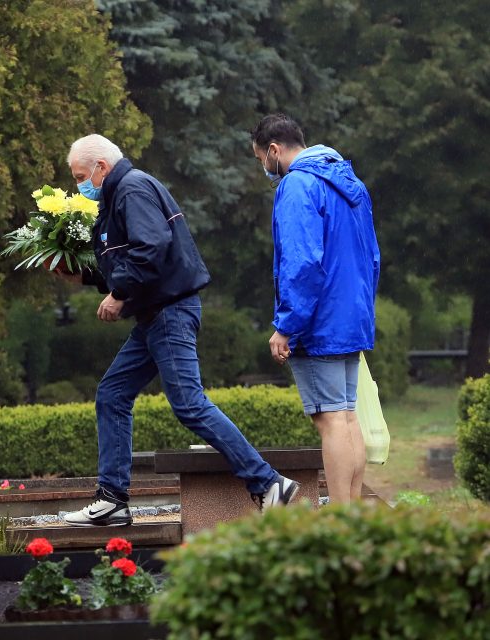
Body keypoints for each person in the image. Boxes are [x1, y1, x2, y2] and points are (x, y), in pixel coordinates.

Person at [61, 134, 300, 527]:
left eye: (80, 176)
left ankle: (268, 482)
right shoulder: (121, 193)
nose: (79, 186)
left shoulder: (132, 188)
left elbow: (150, 248)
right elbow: (128, 258)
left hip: (169, 312)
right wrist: (85, 277)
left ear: (101, 168)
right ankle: (112, 500)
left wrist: (118, 294)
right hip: (155, 314)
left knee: (189, 403)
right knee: (113, 394)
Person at [251, 114, 380, 503]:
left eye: (260, 159)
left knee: (329, 421)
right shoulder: (351, 183)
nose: (263, 168)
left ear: (274, 150)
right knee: (347, 416)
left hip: (318, 323)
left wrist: (286, 325)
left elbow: (302, 261)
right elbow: (372, 257)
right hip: (350, 318)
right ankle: (352, 512)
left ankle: (339, 520)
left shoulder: (297, 185)